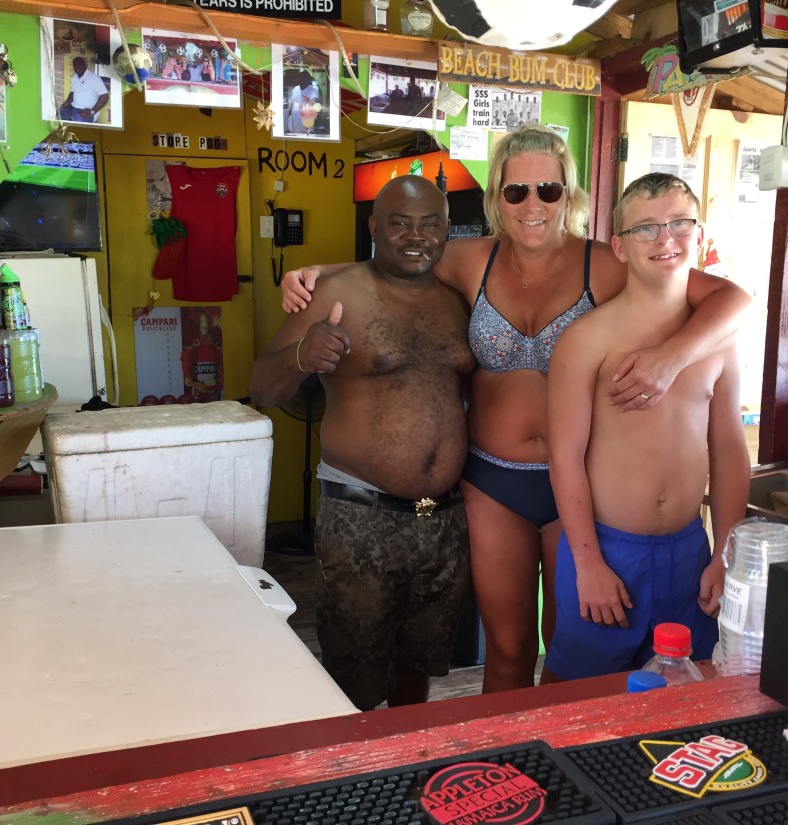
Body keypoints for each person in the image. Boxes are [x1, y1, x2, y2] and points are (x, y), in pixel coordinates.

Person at [280, 125, 749, 694]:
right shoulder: (471, 260)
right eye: (516, 191)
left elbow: (730, 300)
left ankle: (563, 743)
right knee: (508, 649)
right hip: (493, 479)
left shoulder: (607, 262)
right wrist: (317, 273)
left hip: (579, 483)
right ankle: (507, 750)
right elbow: (398, 261)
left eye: (548, 190)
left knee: (564, 644)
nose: (532, 205)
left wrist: (672, 358)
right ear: (496, 199)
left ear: (569, 196)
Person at [250, 176, 474, 711]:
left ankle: (408, 753)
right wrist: (302, 356)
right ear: (373, 228)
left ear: (447, 230)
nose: (415, 236)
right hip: (361, 515)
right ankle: (355, 760)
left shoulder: (460, 300)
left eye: (430, 223)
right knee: (354, 676)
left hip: (444, 517)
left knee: (418, 666)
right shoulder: (335, 294)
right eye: (399, 223)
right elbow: (261, 389)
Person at [542, 173, 750, 682]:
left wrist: (726, 554)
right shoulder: (587, 339)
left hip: (689, 552)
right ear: (619, 246)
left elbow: (729, 451)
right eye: (646, 229)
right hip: (608, 550)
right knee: (579, 693)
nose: (665, 239)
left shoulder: (718, 342)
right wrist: (588, 564)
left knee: (688, 690)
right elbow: (564, 456)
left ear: (700, 234)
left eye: (680, 223)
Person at [59, 56, 109, 123]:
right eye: (75, 65)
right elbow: (72, 93)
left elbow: (105, 96)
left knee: (78, 118)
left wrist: (92, 112)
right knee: (61, 111)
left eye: (80, 64)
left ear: (85, 65)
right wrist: (67, 102)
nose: (77, 67)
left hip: (87, 110)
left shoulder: (94, 78)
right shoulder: (75, 78)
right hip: (74, 106)